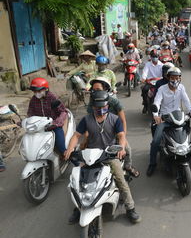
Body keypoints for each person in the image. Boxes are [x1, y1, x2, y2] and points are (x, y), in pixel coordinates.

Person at [64, 90, 141, 224]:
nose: (101, 109)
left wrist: (121, 148)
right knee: (76, 181)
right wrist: (70, 148)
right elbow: (76, 136)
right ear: (92, 106)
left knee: (120, 180)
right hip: (90, 155)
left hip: (109, 155)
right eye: (97, 107)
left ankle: (130, 208)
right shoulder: (86, 120)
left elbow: (121, 136)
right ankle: (78, 209)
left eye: (103, 107)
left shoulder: (114, 119)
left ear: (107, 105)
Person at [147, 67, 191, 176]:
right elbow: (157, 102)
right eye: (172, 77)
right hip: (165, 118)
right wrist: (156, 115)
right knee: (156, 141)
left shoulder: (181, 88)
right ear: (168, 77)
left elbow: (187, 102)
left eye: (177, 78)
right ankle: (152, 164)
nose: (175, 80)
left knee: (190, 136)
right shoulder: (162, 89)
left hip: (179, 117)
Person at [86, 78, 140, 177]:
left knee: (127, 149)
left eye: (98, 90)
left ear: (105, 89)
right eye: (93, 90)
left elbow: (123, 120)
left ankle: (128, 166)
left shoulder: (114, 102)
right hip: (98, 133)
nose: (94, 92)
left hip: (115, 133)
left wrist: (122, 137)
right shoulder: (91, 104)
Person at [27, 77, 68, 154]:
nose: (36, 93)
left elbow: (63, 112)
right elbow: (30, 113)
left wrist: (56, 122)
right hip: (40, 127)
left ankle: (68, 156)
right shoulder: (33, 100)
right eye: (34, 91)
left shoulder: (52, 98)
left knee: (60, 145)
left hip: (54, 126)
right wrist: (27, 121)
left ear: (45, 89)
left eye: (39, 91)